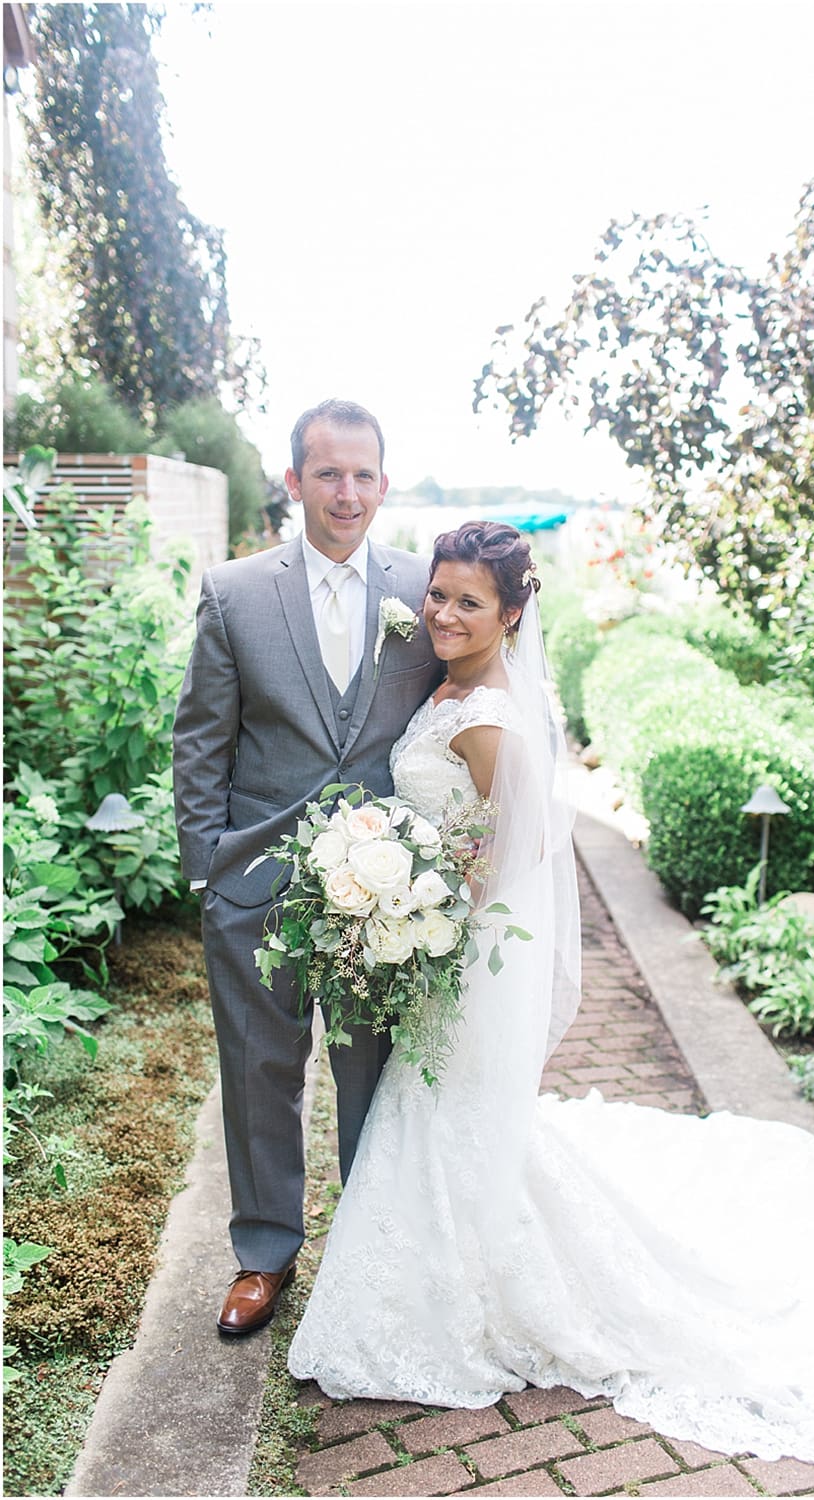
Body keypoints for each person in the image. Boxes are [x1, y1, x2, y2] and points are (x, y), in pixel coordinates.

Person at [284, 521, 814, 1462]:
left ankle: (463, 1293)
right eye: (440, 595)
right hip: (437, 945)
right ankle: (433, 1269)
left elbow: (519, 847)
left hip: (456, 953)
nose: (445, 614)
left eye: (469, 602)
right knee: (445, 1117)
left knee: (450, 1115)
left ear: (512, 612)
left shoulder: (489, 713)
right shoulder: (453, 683)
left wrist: (417, 910)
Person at [174, 398, 444, 1336]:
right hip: (256, 887)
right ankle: (263, 1255)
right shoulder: (235, 592)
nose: (349, 493)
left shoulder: (426, 588)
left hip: (387, 898)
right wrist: (208, 875)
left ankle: (373, 1252)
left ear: (384, 479)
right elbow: (201, 744)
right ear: (294, 482)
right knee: (259, 1075)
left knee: (375, 1073)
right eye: (328, 473)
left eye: (365, 474)